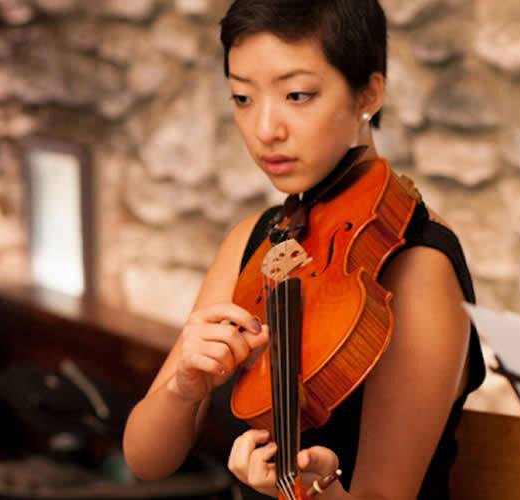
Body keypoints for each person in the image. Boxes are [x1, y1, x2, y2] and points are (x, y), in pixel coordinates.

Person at [122, 1, 485, 498]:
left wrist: (308, 491)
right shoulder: (257, 238)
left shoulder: (417, 265)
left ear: (369, 93)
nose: (265, 129)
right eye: (243, 98)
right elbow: (145, 460)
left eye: (297, 95)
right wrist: (184, 387)